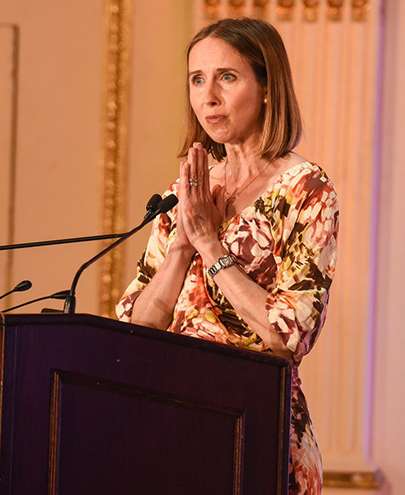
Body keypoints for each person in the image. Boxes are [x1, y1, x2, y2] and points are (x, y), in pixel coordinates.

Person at [116, 17, 338, 495]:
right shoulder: (185, 193)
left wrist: (213, 249)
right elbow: (138, 328)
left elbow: (289, 333)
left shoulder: (305, 190)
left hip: (256, 433)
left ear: (267, 88)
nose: (207, 96)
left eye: (227, 77)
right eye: (197, 79)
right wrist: (183, 242)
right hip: (174, 427)